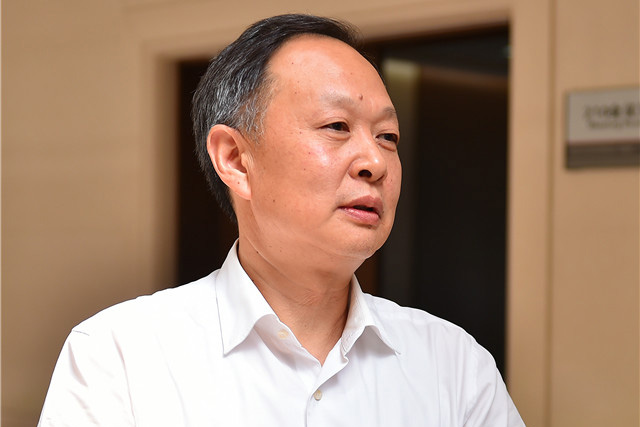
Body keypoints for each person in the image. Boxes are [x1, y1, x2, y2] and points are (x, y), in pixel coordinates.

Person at [38, 14, 525, 426]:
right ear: (235, 159)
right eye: (337, 126)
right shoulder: (120, 356)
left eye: (388, 137)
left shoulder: (453, 365)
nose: (375, 163)